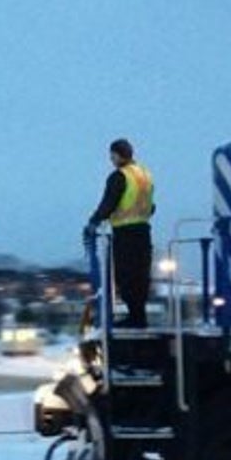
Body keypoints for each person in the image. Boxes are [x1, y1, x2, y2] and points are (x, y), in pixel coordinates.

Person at [84, 138, 155, 328]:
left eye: (112, 156)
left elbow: (109, 202)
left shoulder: (119, 176)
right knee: (141, 275)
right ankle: (139, 316)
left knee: (125, 275)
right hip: (144, 230)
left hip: (125, 232)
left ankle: (135, 318)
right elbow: (151, 205)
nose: (111, 160)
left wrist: (94, 221)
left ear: (117, 154)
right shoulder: (145, 174)